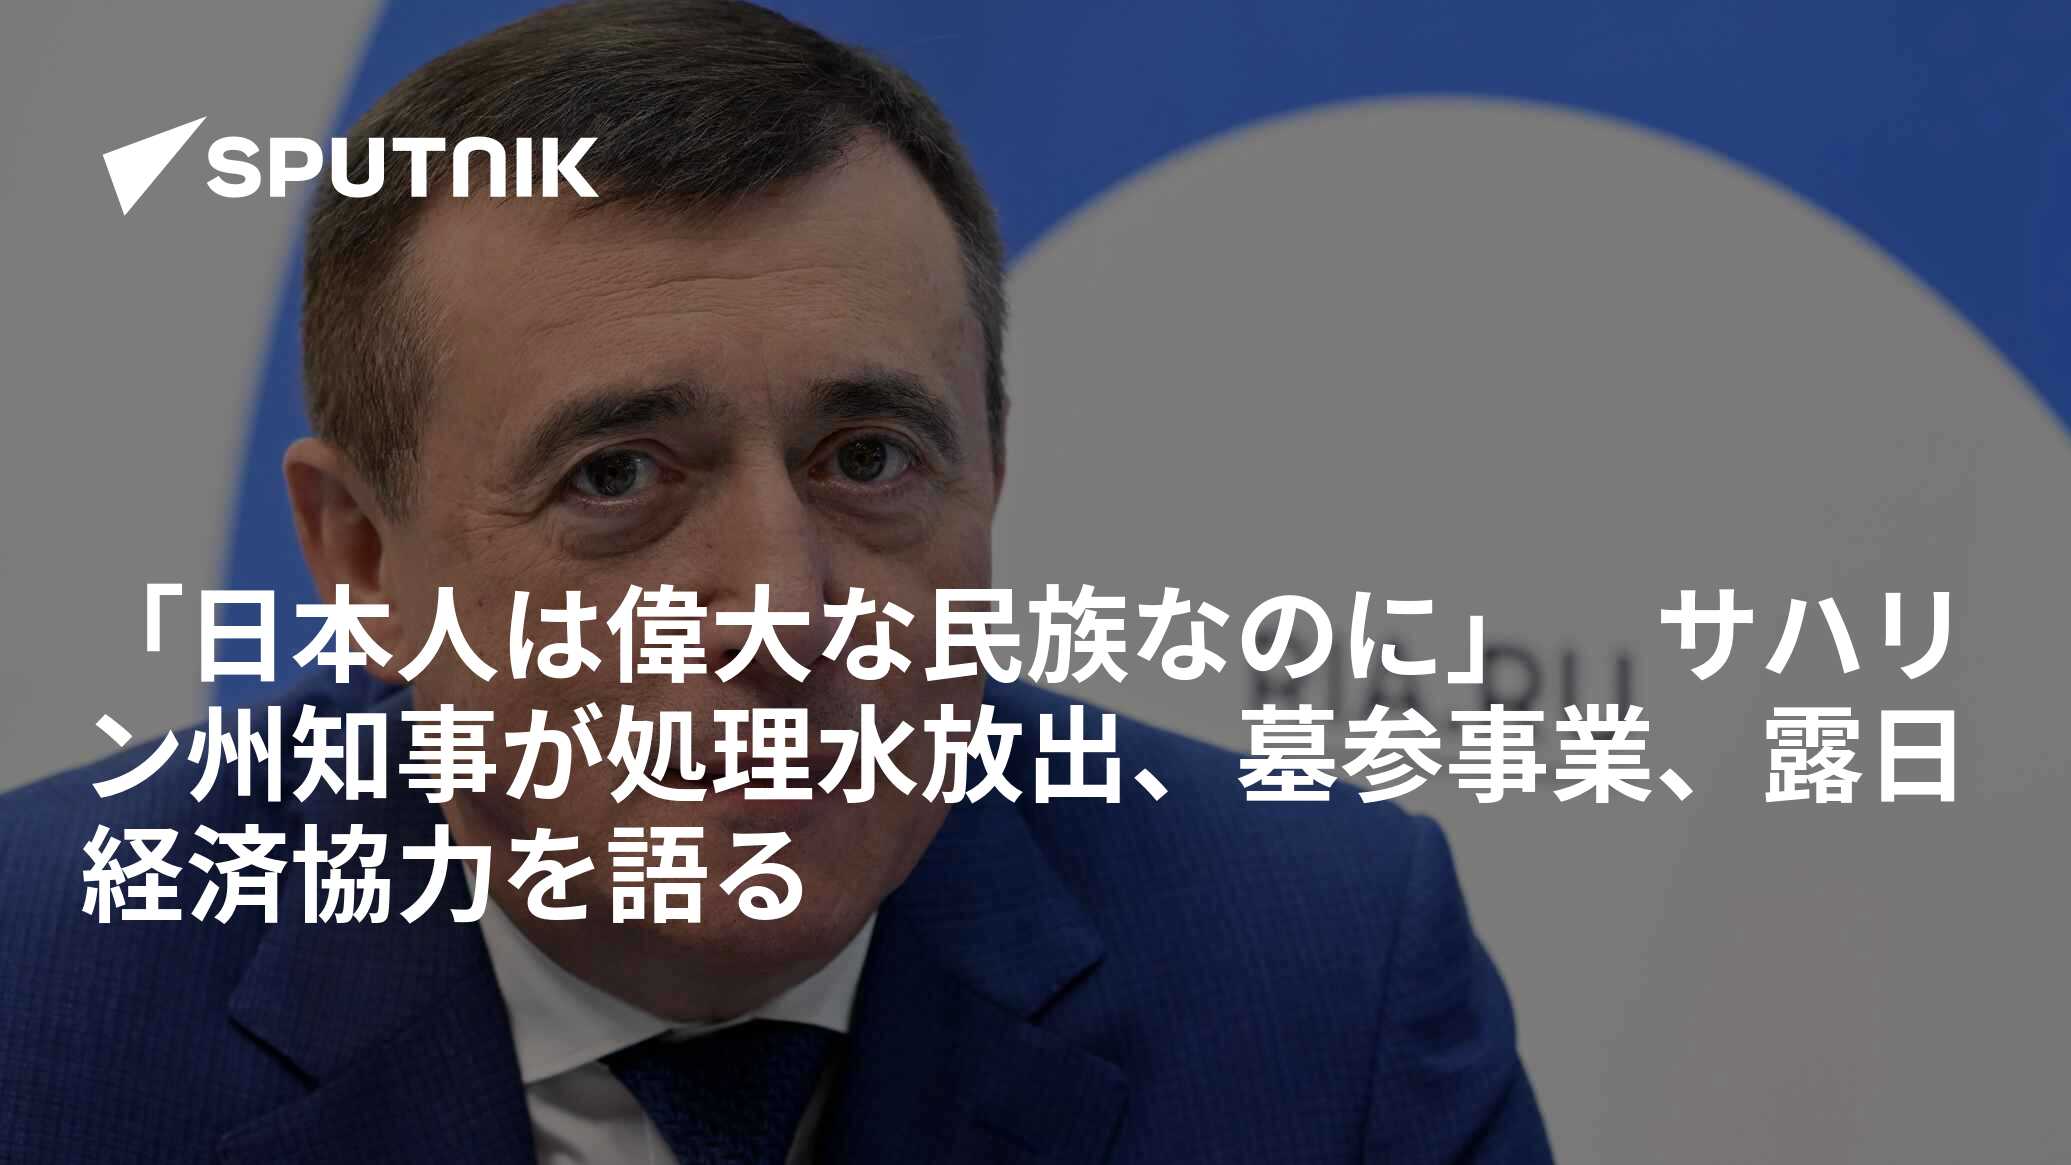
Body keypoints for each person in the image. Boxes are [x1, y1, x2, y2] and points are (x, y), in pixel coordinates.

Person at [0, 2, 1552, 1161]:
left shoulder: (1326, 981)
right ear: (360, 556)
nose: (780, 607)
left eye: (867, 458)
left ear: (993, 474)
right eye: (617, 477)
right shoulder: (41, 999)